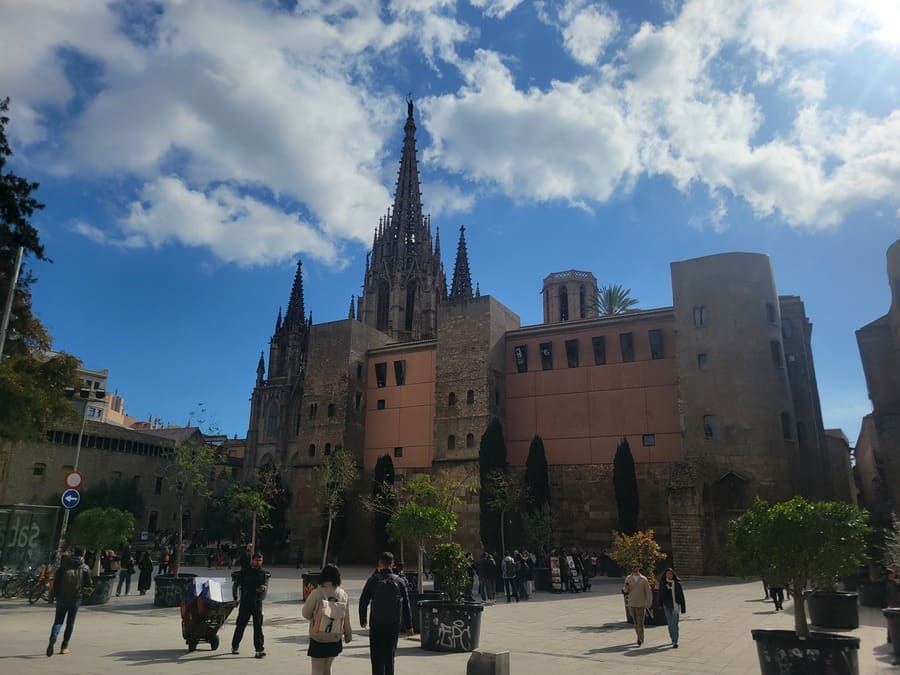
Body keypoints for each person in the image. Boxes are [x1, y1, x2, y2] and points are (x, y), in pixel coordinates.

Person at [358, 552, 413, 675]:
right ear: (392, 564)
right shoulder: (399, 581)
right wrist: (409, 626)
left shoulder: (373, 580)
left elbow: (363, 601)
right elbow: (406, 605)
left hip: (376, 625)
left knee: (376, 658)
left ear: (379, 563)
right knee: (389, 658)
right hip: (393, 625)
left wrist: (363, 619)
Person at [302, 564, 353, 675]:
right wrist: (348, 634)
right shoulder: (343, 594)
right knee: (327, 669)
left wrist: (316, 616)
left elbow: (305, 614)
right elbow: (346, 617)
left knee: (317, 670)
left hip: (318, 638)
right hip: (335, 638)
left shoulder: (316, 593)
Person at [46, 546, 92, 657]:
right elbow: (89, 585)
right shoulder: (84, 567)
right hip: (76, 598)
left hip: (62, 598)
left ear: (73, 553)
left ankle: (53, 636)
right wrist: (86, 595)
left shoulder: (64, 565)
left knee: (58, 621)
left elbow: (56, 582)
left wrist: (54, 595)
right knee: (70, 623)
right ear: (83, 554)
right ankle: (64, 646)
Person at [231, 552, 269, 658]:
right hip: (245, 602)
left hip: (257, 603)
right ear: (252, 560)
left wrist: (263, 588)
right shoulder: (245, 572)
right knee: (241, 625)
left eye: (259, 560)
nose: (257, 562)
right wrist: (235, 598)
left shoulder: (263, 573)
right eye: (256, 560)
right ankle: (235, 646)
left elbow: (265, 584)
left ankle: (259, 650)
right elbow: (236, 585)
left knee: (258, 627)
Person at [623, 561, 652, 646]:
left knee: (640, 622)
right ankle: (638, 635)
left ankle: (640, 638)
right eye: (633, 567)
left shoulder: (643, 579)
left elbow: (648, 591)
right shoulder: (628, 578)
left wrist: (649, 602)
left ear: (639, 568)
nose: (634, 568)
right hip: (632, 603)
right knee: (635, 622)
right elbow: (625, 590)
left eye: (636, 567)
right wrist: (626, 588)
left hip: (641, 603)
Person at [658, 568, 687, 648]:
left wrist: (683, 608)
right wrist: (667, 589)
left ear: (673, 575)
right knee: (670, 624)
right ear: (665, 575)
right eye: (667, 574)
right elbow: (660, 595)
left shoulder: (677, 584)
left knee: (674, 624)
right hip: (667, 605)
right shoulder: (663, 583)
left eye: (670, 574)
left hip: (675, 606)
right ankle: (672, 638)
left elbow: (681, 596)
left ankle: (675, 640)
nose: (669, 575)